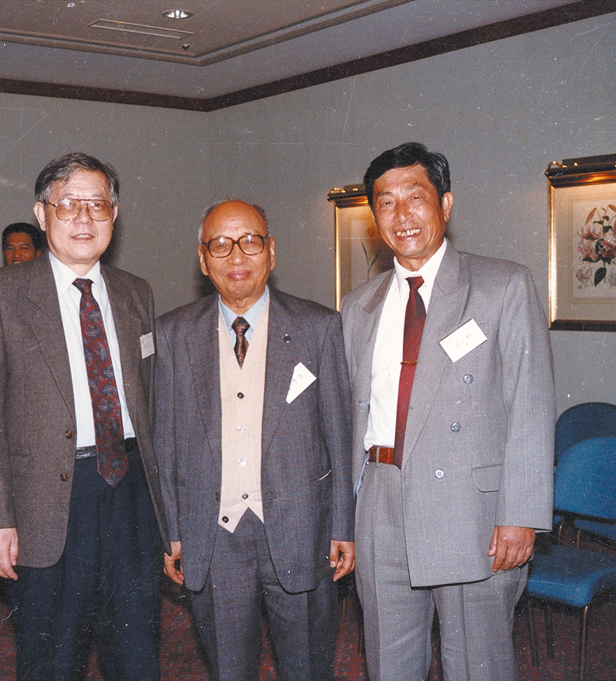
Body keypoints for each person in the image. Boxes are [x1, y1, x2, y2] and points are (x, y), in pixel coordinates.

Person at [341, 142, 554, 681]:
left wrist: (520, 514)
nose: (402, 215)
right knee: (389, 664)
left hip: (471, 511)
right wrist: (346, 515)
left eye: (415, 197)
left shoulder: (502, 286)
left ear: (446, 204)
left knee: (476, 666)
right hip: (380, 502)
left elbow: (530, 406)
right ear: (374, 217)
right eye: (386, 203)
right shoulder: (358, 306)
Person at [0, 152, 167, 681]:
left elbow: (151, 404)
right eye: (69, 204)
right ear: (41, 213)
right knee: (52, 659)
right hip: (48, 502)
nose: (83, 218)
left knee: (137, 653)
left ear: (114, 215)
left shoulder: (136, 291)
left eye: (97, 205)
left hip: (131, 494)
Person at [155, 199, 355, 681]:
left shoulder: (318, 326)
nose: (237, 256)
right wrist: (172, 529)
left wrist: (343, 525)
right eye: (220, 245)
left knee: (308, 667)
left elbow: (339, 433)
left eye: (250, 241)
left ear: (271, 251)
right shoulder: (174, 332)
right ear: (203, 260)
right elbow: (165, 441)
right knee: (228, 669)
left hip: (301, 530)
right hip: (213, 534)